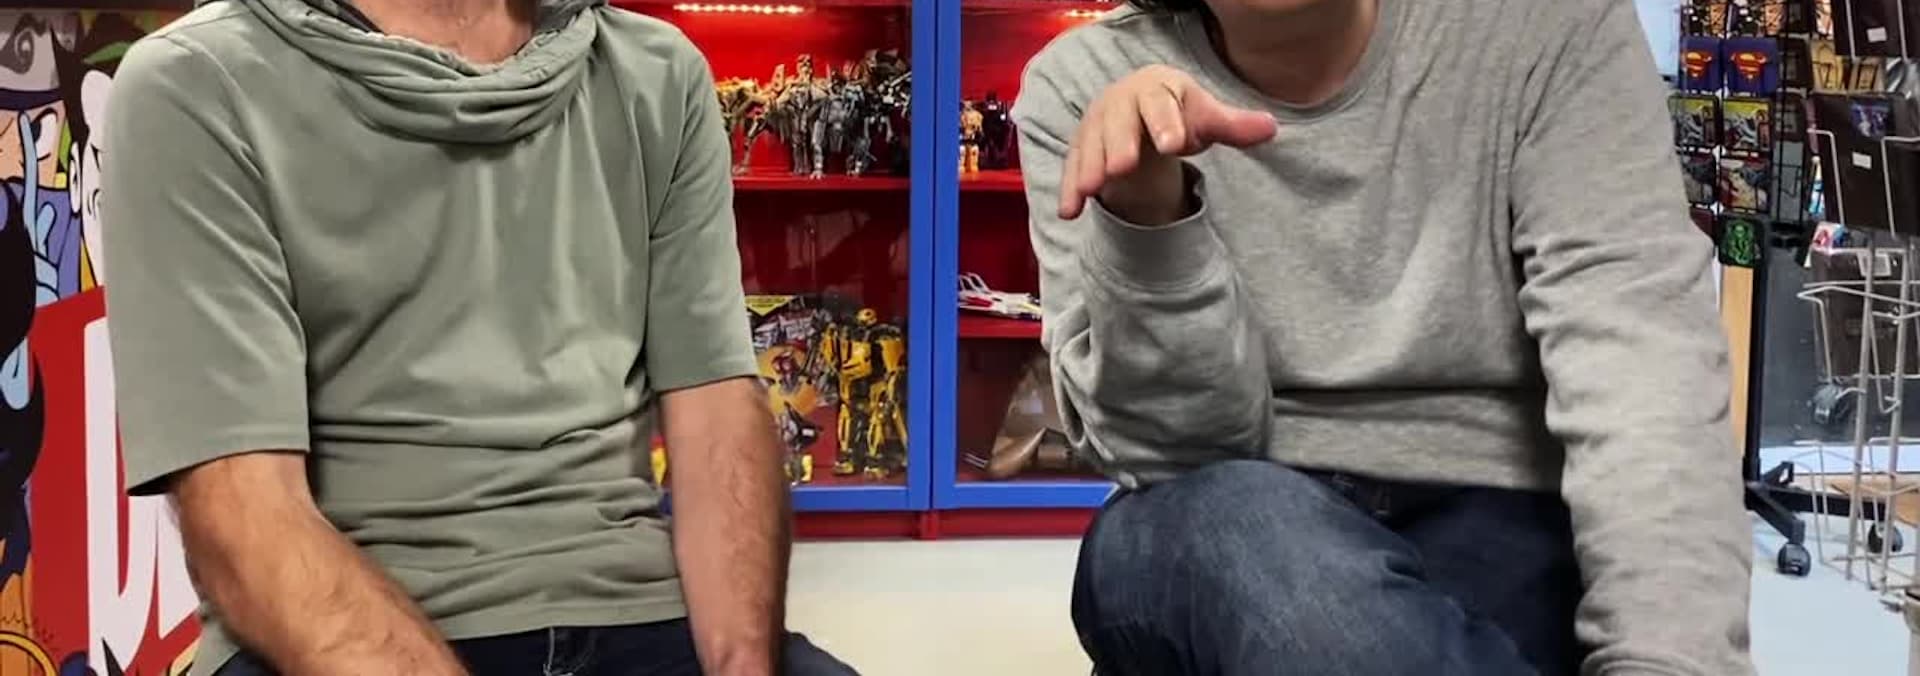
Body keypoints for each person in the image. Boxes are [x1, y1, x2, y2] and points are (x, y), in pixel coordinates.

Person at [100, 1, 857, 675]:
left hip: (637, 610)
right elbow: (244, 516)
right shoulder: (198, 85)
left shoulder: (656, 75)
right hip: (340, 629)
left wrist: (742, 666)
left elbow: (716, 405)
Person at [1013, 0, 1752, 674]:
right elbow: (1172, 453)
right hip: (1218, 514)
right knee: (1240, 527)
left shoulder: (1550, 30)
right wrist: (1149, 220)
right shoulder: (1086, 88)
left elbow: (1642, 378)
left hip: (1499, 515)